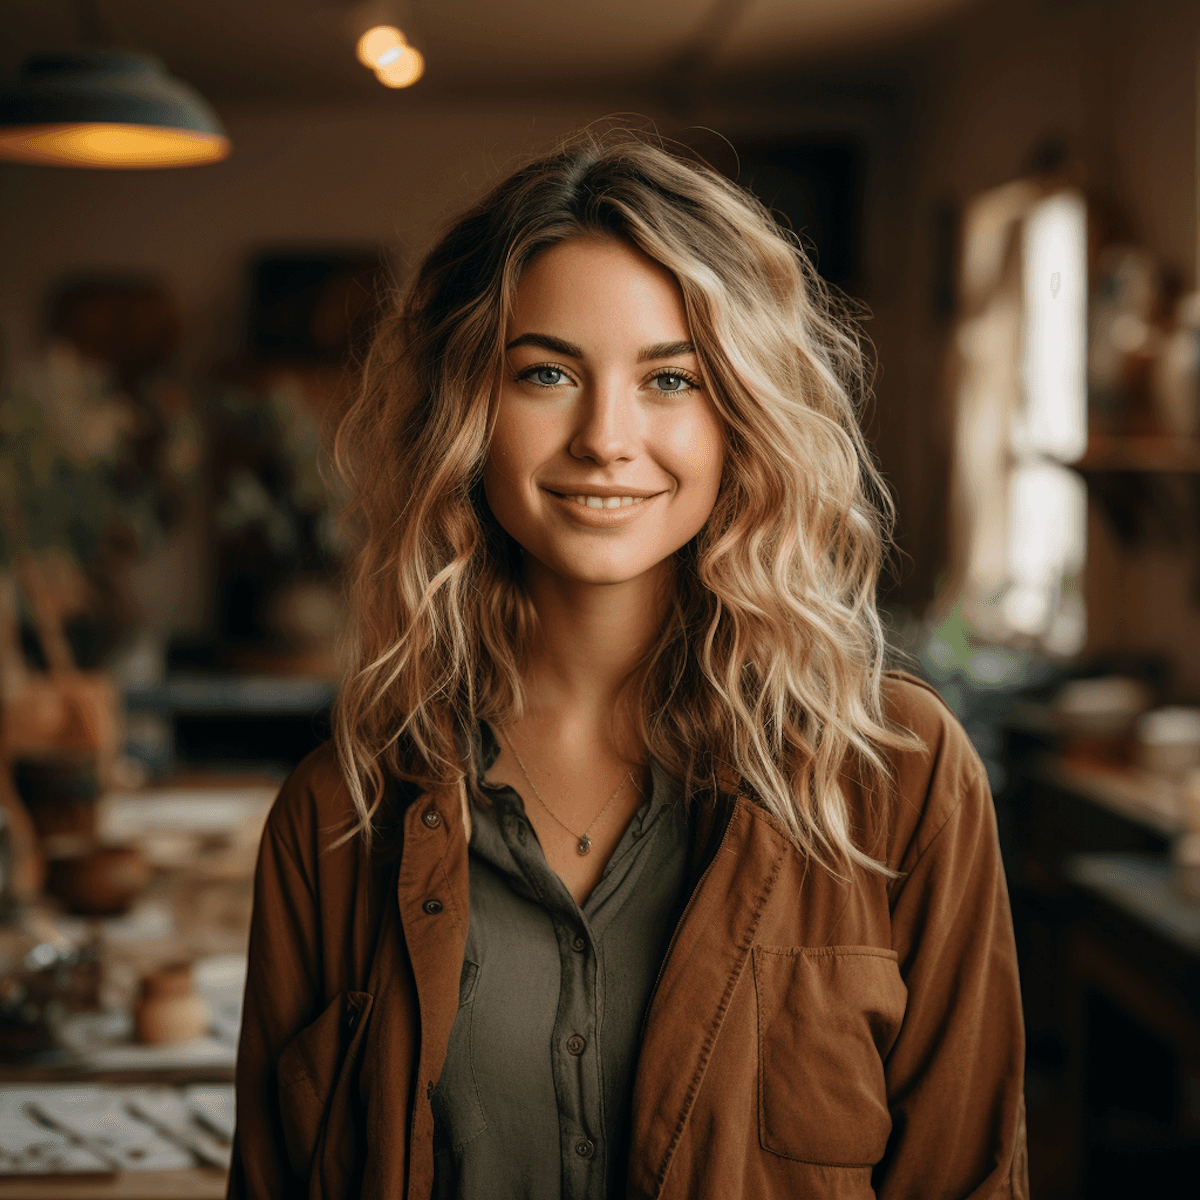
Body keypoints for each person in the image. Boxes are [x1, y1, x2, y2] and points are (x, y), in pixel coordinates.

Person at [228, 128, 1029, 1200]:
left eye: (672, 380)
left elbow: (969, 1178)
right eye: (547, 372)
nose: (606, 437)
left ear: (743, 414)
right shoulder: (340, 816)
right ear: (465, 412)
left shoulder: (898, 777)